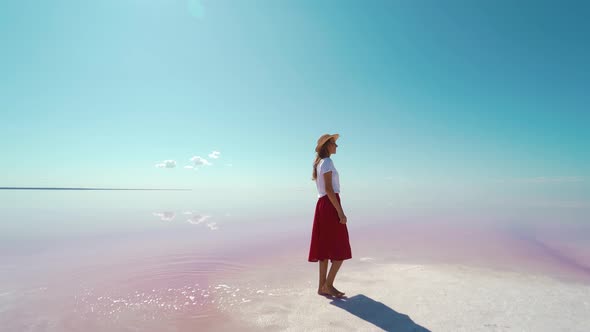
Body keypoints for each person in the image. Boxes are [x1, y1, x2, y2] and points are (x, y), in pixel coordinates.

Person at [308, 133, 352, 298]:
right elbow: (328, 189)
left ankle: (322, 287)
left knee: (324, 249)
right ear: (327, 146)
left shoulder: (320, 163)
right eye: (334, 143)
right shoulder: (327, 162)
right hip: (329, 204)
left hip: (322, 205)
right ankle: (329, 285)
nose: (337, 146)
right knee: (341, 248)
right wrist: (340, 211)